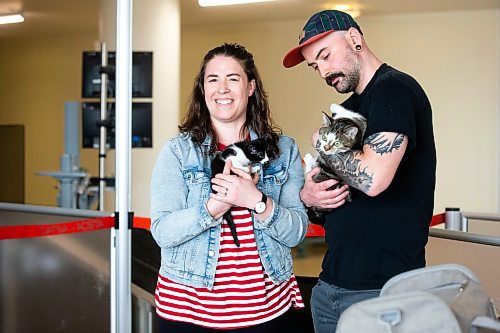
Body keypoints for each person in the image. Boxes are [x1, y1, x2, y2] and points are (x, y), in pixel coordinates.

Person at [282, 10, 437, 333]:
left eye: (325, 56)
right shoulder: (348, 110)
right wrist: (310, 197)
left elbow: (374, 179)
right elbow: (330, 199)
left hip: (383, 291)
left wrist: (321, 141)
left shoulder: (394, 90)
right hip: (331, 287)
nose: (323, 71)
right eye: (315, 66)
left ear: (354, 39)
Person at [150, 43, 308, 333]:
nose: (222, 88)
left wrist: (257, 201)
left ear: (250, 87)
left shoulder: (283, 150)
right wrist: (215, 207)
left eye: (233, 78)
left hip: (267, 313)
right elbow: (163, 231)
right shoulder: (178, 152)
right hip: (187, 314)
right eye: (213, 79)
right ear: (203, 90)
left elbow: (296, 232)